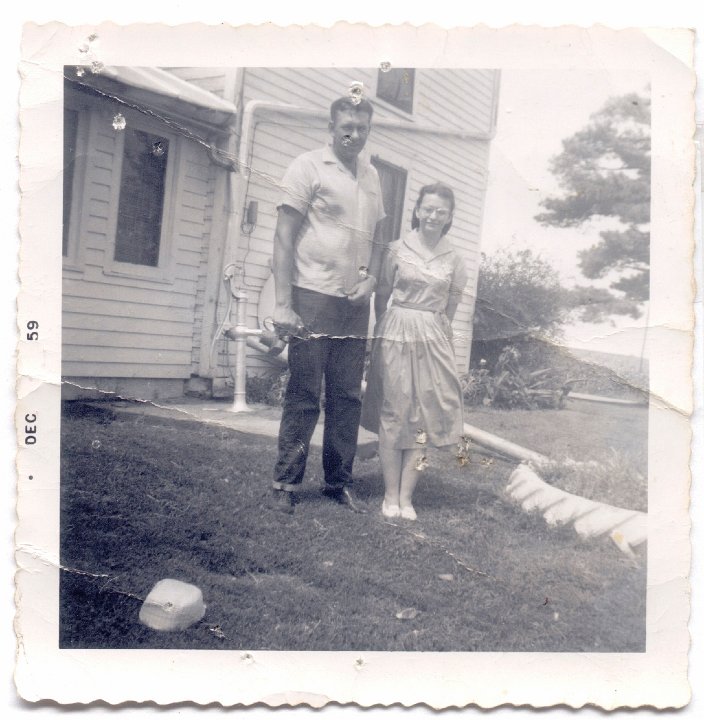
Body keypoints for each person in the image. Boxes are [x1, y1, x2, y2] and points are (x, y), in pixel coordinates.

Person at [270, 96, 386, 514]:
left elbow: (377, 239)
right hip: (313, 295)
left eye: (362, 129)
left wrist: (371, 279)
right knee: (304, 392)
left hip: (354, 303)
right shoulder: (307, 167)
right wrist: (283, 303)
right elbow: (283, 238)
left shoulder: (372, 176)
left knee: (347, 397)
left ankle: (338, 482)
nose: (354, 136)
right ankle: (285, 482)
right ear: (332, 126)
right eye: (347, 128)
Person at [361, 182, 469, 521]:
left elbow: (451, 304)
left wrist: (437, 329)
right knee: (395, 412)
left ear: (449, 216)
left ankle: (407, 498)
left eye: (441, 211)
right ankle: (389, 494)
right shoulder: (397, 248)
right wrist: (384, 328)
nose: (433, 216)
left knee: (424, 416)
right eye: (428, 209)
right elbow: (382, 295)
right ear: (417, 210)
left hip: (433, 336)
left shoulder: (454, 258)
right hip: (396, 330)